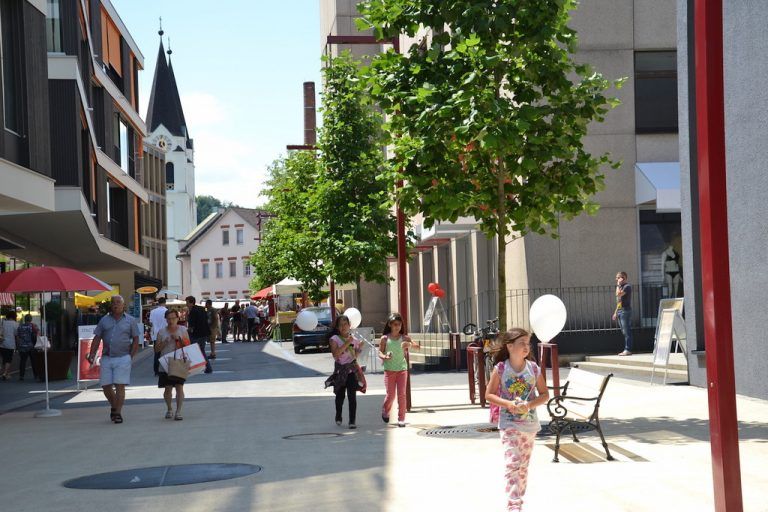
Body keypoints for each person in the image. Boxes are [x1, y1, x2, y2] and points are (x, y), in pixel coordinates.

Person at [485, 328, 549, 512]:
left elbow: (545, 395)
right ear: (510, 346)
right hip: (508, 424)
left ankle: (519, 499)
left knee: (523, 467)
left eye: (528, 343)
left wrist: (529, 405)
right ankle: (514, 505)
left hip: (529, 425)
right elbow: (488, 394)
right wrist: (508, 403)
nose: (526, 347)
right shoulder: (501, 369)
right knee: (513, 462)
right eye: (522, 343)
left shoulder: (534, 369)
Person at [87, 295, 140, 424]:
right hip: (107, 357)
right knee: (106, 386)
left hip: (123, 357)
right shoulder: (104, 320)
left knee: (120, 386)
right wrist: (92, 353)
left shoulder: (130, 320)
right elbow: (97, 338)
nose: (115, 304)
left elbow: (136, 339)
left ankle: (117, 413)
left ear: (123, 305)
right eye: (113, 302)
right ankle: (114, 406)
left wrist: (130, 356)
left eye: (118, 302)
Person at [379, 312, 420, 427]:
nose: (397, 326)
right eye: (395, 324)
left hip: (402, 370)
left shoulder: (405, 338)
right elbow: (380, 352)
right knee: (390, 395)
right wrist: (385, 356)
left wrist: (409, 345)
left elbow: (418, 347)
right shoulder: (385, 338)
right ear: (390, 325)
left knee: (402, 394)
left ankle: (401, 418)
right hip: (389, 370)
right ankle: (385, 410)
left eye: (399, 324)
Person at [324, 315, 364, 429]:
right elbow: (336, 354)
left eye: (345, 324)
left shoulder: (354, 340)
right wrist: (347, 343)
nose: (343, 327)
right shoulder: (334, 339)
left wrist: (359, 348)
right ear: (337, 327)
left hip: (351, 371)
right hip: (340, 372)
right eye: (340, 324)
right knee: (340, 397)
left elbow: (354, 356)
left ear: (349, 325)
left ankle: (352, 420)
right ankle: (338, 415)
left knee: (352, 397)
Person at [155, 309, 190, 420]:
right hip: (165, 363)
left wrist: (179, 339)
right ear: (166, 319)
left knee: (179, 387)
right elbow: (156, 350)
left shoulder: (183, 330)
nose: (171, 321)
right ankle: (169, 408)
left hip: (179, 362)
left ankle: (178, 412)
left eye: (173, 318)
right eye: (169, 318)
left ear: (178, 319)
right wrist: (165, 341)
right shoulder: (161, 332)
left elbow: (188, 345)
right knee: (168, 389)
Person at [186, 296, 212, 373]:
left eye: (187, 302)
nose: (186, 304)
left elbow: (191, 326)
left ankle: (195, 367)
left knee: (194, 350)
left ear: (191, 302)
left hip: (196, 334)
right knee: (201, 350)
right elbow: (207, 319)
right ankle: (207, 367)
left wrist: (187, 331)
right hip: (204, 332)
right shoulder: (202, 309)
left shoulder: (192, 311)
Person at [612, 271, 633, 356]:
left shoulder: (627, 287)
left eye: (619, 277)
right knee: (624, 331)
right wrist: (615, 312)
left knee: (627, 331)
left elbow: (618, 294)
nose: (617, 279)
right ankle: (627, 349)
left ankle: (628, 349)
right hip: (620, 310)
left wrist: (618, 285)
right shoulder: (620, 287)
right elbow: (619, 301)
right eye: (617, 278)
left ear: (623, 278)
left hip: (625, 311)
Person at [148, 297, 168, 376]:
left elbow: (151, 323)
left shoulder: (153, 312)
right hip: (165, 334)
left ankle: (156, 370)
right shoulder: (167, 311)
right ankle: (164, 369)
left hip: (156, 334)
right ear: (165, 302)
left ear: (158, 302)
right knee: (165, 352)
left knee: (157, 353)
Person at [15, 314, 38, 381]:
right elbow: (36, 334)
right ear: (31, 319)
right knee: (33, 362)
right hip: (31, 346)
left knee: (23, 361)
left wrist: (18, 346)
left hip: (22, 346)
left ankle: (21, 376)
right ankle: (36, 375)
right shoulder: (32, 326)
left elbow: (18, 336)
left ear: (25, 319)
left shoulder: (20, 326)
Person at [1, 311, 19, 380]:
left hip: (2, 343)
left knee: (4, 359)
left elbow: (1, 332)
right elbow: (16, 334)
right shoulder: (15, 324)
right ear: (14, 316)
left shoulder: (3, 323)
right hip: (10, 344)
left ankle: (6, 374)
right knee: (8, 359)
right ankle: (5, 373)